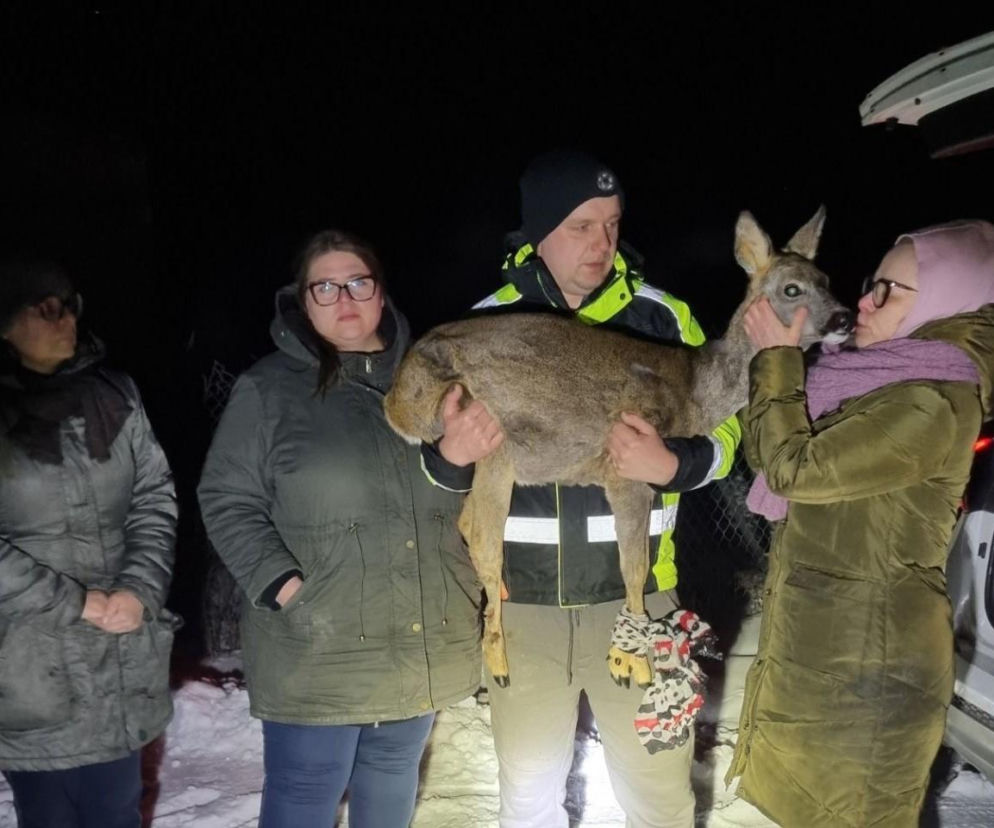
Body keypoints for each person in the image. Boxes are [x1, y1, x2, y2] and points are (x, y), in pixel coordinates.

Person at [421, 150, 742, 828]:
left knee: (659, 795)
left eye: (613, 224)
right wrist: (450, 454)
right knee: (528, 795)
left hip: (641, 605)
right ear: (538, 230)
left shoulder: (664, 319)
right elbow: (437, 468)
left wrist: (674, 464)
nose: (602, 244)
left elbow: (731, 436)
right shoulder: (484, 327)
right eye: (581, 226)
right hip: (524, 607)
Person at [197, 229, 483, 828]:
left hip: (417, 632)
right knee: (305, 794)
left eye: (358, 281)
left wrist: (456, 462)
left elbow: (458, 495)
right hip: (318, 646)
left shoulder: (435, 381)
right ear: (302, 302)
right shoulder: (268, 390)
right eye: (323, 287)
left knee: (391, 784)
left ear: (381, 292)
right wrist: (283, 586)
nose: (344, 297)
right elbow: (225, 497)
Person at [729, 219, 994, 826]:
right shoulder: (858, 381)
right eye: (870, 283)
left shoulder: (931, 401)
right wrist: (780, 371)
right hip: (823, 656)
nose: (864, 301)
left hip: (869, 677)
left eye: (889, 291)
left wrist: (777, 360)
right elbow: (766, 451)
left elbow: (793, 468)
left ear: (941, 305)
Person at [0, 261, 178, 828]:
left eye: (70, 304)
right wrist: (78, 602)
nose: (66, 318)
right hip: (29, 661)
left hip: (120, 657)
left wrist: (139, 587)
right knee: (49, 816)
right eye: (46, 308)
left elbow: (153, 495)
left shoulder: (114, 395)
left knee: (117, 810)